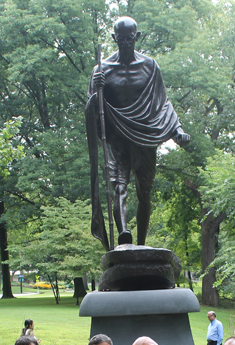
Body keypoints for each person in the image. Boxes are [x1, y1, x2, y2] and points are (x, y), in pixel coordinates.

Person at [86, 16, 190, 248]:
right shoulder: (102, 70)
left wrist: (177, 130)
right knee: (119, 187)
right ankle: (124, 237)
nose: (125, 43)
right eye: (120, 39)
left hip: (145, 135)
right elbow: (93, 110)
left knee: (144, 192)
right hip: (116, 138)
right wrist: (96, 91)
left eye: (129, 38)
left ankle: (141, 246)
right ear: (114, 38)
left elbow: (163, 103)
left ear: (137, 37)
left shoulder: (150, 67)